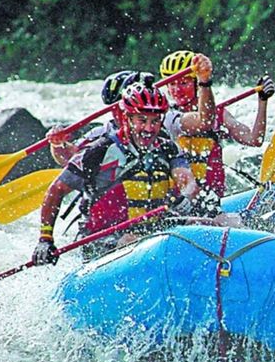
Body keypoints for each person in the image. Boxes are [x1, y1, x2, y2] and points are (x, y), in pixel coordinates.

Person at [32, 82, 200, 265]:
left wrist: (185, 197)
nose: (149, 129)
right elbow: (56, 190)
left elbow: (188, 182)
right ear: (127, 118)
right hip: (103, 240)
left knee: (208, 224)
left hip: (153, 230)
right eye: (142, 120)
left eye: (155, 121)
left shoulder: (167, 147)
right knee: (131, 239)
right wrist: (45, 239)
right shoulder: (99, 150)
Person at [158, 50, 275, 218]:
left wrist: (262, 101)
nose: (177, 90)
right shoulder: (163, 118)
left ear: (196, 83)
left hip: (209, 201)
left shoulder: (217, 114)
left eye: (183, 83)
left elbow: (254, 139)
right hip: (179, 202)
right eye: (172, 84)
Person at [46, 70, 154, 165]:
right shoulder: (102, 133)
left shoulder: (162, 124)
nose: (120, 114)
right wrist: (58, 144)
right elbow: (71, 158)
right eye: (116, 108)